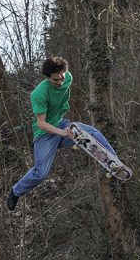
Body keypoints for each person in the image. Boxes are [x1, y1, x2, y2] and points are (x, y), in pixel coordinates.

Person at [7, 56, 120, 210]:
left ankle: (114, 161)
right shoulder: (39, 94)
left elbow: (64, 84)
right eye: (55, 80)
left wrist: (64, 129)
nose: (60, 82)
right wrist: (61, 132)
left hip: (61, 124)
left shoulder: (68, 78)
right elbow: (41, 123)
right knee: (41, 173)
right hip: (44, 134)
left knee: (91, 132)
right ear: (48, 78)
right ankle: (16, 192)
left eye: (62, 77)